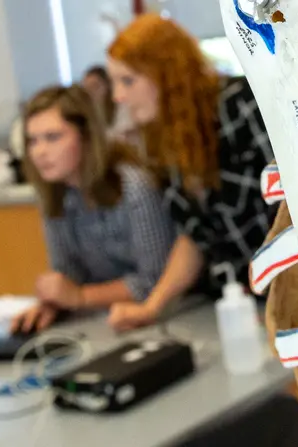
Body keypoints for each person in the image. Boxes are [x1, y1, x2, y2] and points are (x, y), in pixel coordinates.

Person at [101, 15, 275, 331]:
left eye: (128, 81)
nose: (118, 96)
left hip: (293, 296)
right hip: (241, 303)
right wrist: (151, 307)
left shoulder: (239, 106)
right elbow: (194, 237)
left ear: (168, 75)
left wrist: (290, 305)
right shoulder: (163, 141)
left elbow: (294, 210)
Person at [10, 86, 176, 334]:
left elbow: (154, 280)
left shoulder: (134, 186)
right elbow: (68, 272)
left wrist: (79, 296)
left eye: (53, 137)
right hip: (105, 322)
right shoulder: (55, 194)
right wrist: (52, 303)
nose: (40, 152)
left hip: (165, 318)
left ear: (86, 137)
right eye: (32, 141)